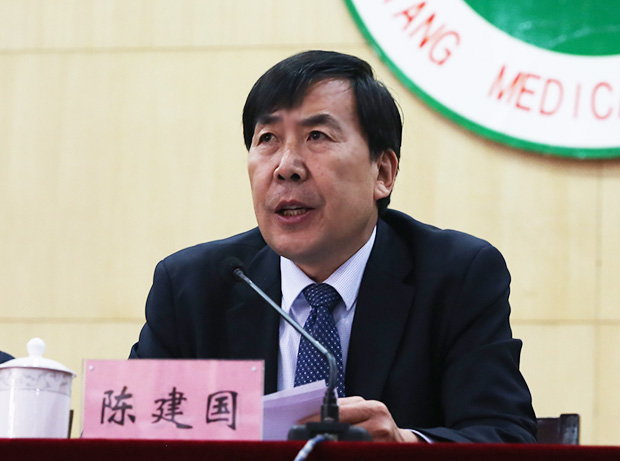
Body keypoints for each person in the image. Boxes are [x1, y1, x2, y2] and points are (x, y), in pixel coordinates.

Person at [130, 50, 537, 443]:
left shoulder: (456, 276)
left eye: (317, 136)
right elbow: (130, 435)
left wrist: (405, 446)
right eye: (268, 138)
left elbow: (504, 436)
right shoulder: (192, 287)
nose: (286, 167)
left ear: (383, 172)